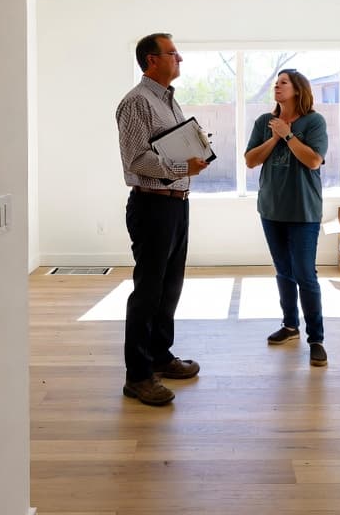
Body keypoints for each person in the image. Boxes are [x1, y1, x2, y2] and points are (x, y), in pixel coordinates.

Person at [115, 33, 211, 405]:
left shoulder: (169, 102)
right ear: (151, 61)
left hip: (176, 203)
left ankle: (159, 356)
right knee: (148, 291)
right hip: (152, 205)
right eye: (173, 53)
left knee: (170, 287)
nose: (180, 58)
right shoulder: (137, 102)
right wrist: (180, 165)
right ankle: (137, 376)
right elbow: (136, 160)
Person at [244, 68, 330, 367]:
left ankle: (316, 339)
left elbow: (314, 160)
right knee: (283, 271)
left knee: (306, 275)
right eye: (275, 83)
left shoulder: (314, 121)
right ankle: (291, 326)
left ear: (297, 89)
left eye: (283, 83)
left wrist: (289, 134)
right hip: (271, 210)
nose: (277, 87)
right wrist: (275, 137)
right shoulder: (263, 123)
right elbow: (251, 160)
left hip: (303, 212)